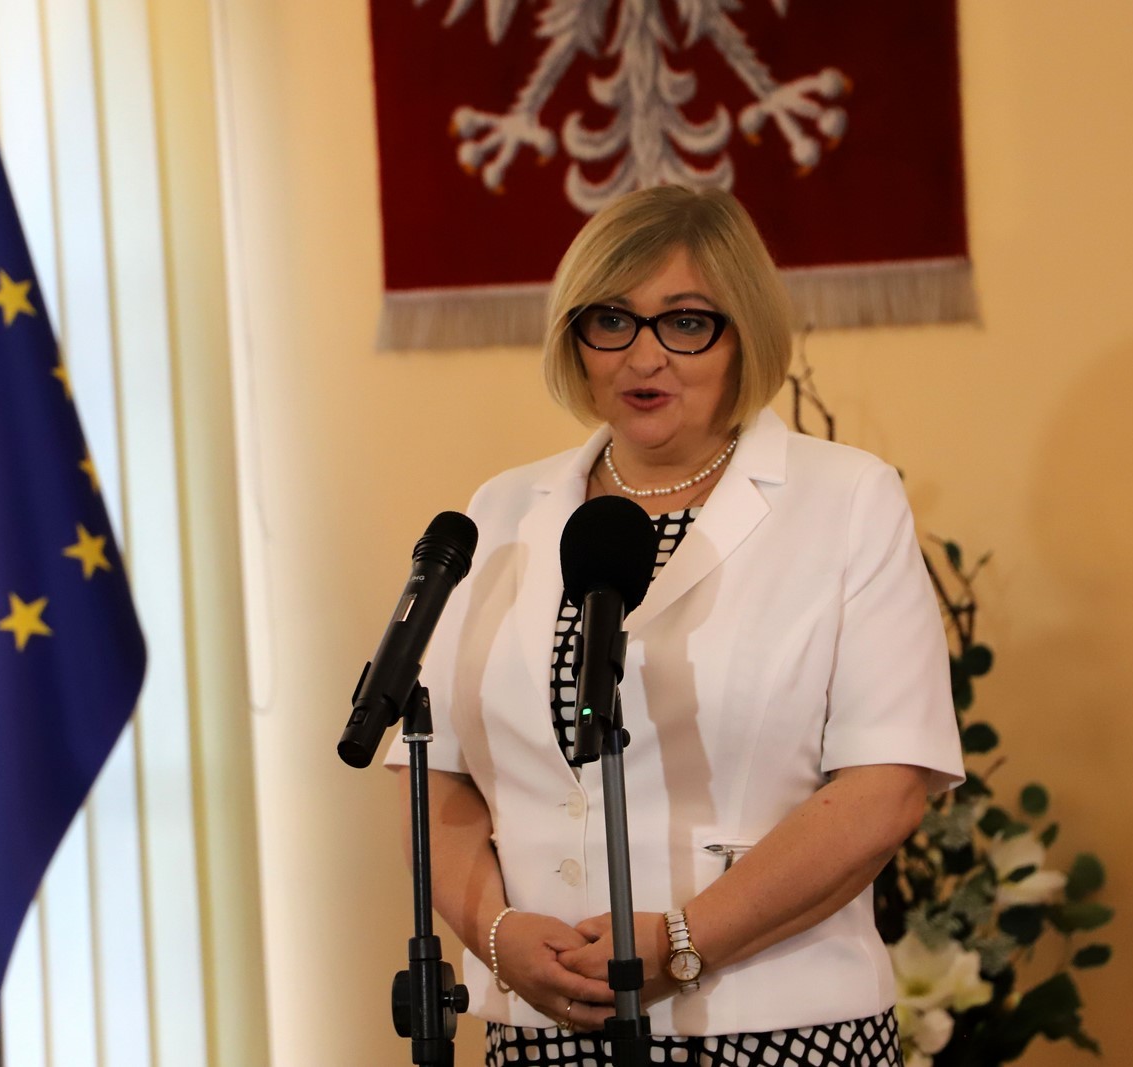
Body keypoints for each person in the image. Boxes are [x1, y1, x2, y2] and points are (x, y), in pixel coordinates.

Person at [386, 185, 963, 1066]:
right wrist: (498, 936)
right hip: (543, 1029)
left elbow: (886, 784)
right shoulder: (500, 509)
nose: (643, 355)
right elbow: (435, 771)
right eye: (611, 320)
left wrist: (682, 942)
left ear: (743, 335)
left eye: (686, 322)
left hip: (779, 1027)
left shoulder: (848, 498)